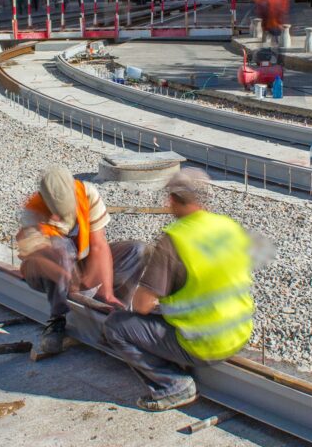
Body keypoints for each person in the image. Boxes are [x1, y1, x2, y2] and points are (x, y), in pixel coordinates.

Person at [103, 168, 255, 411]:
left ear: (173, 200)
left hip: (205, 344)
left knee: (115, 326)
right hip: (239, 331)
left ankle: (173, 385)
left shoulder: (175, 239)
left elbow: (142, 305)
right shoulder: (229, 227)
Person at [17, 166, 144, 355]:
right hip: (47, 273)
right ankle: (56, 320)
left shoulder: (87, 194)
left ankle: (118, 313)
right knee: (58, 251)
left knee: (137, 250)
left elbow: (99, 245)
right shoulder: (33, 211)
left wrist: (106, 293)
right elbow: (38, 261)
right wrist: (64, 276)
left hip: (77, 266)